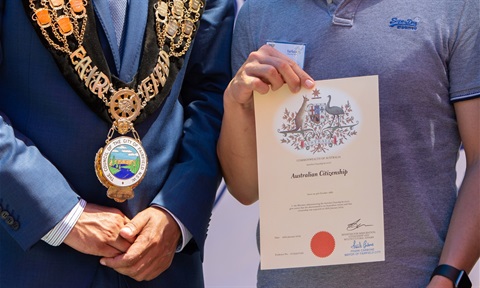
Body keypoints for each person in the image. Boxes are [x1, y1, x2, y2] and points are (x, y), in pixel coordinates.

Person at [217, 0, 479, 287]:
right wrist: (235, 102)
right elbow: (245, 189)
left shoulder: (456, 7)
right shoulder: (258, 13)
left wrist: (449, 276)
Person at [0, 0, 234, 287]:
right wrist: (62, 216)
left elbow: (213, 95)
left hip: (163, 264)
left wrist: (176, 214)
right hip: (37, 262)